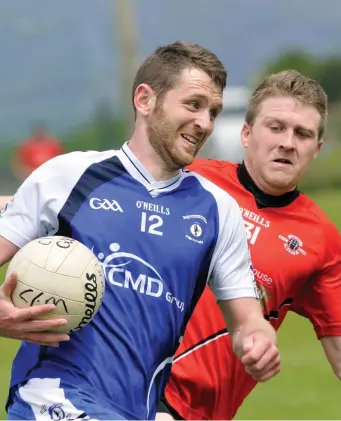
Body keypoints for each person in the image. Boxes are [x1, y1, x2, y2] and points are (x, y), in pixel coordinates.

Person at [0, 42, 280, 420]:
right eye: (193, 104)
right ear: (145, 99)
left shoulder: (218, 210)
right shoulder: (67, 176)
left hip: (136, 409)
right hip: (50, 395)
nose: (205, 122)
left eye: (212, 111)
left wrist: (258, 342)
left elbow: (247, 322)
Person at [158, 70, 341, 420]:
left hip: (205, 412)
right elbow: (89, 196)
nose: (288, 142)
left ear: (316, 150)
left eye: (302, 133)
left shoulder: (322, 241)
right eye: (276, 127)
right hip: (137, 386)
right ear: (246, 133)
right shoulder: (186, 180)